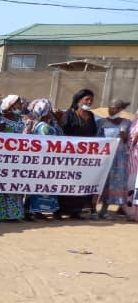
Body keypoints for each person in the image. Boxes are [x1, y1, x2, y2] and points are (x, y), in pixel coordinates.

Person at [59, 89, 99, 219]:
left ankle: (76, 210)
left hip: (85, 156)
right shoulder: (69, 114)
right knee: (67, 181)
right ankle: (62, 209)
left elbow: (94, 134)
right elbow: (62, 134)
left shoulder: (91, 116)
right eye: (87, 99)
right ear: (78, 100)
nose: (89, 102)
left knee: (80, 181)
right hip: (69, 155)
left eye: (91, 100)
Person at [22, 99, 62, 221]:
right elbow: (55, 140)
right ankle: (36, 210)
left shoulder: (37, 125)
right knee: (40, 188)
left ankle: (33, 211)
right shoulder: (44, 127)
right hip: (44, 162)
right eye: (49, 110)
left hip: (40, 162)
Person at [96, 100, 132, 219]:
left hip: (119, 159)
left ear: (120, 110)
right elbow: (96, 140)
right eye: (110, 107)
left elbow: (131, 142)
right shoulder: (101, 122)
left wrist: (125, 137)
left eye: (115, 108)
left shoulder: (127, 123)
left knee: (114, 184)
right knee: (102, 182)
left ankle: (106, 210)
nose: (112, 110)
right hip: (104, 158)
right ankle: (94, 209)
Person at [0, 95, 26, 221]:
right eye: (18, 104)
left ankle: (15, 213)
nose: (21, 106)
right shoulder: (1, 120)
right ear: (11, 105)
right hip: (4, 158)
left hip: (18, 158)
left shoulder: (20, 119)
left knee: (15, 185)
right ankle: (1, 213)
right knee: (2, 186)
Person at [125, 117, 138, 222]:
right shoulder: (133, 121)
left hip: (134, 153)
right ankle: (131, 212)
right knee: (132, 183)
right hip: (133, 154)